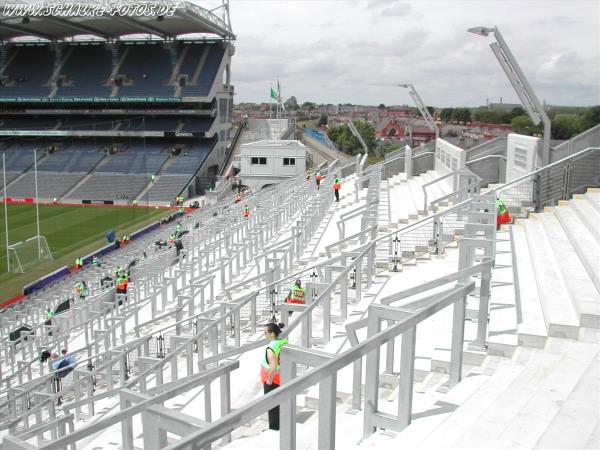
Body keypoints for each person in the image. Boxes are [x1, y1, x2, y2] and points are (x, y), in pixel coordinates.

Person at [261, 322, 288, 431]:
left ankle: (274, 428)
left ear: (272, 334)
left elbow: (273, 367)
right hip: (283, 377)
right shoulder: (283, 342)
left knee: (272, 406)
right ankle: (282, 424)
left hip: (273, 381)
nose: (264, 334)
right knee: (280, 403)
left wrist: (269, 380)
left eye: (265, 332)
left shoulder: (271, 348)